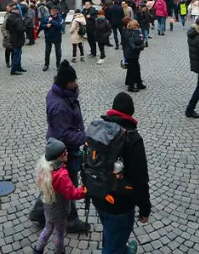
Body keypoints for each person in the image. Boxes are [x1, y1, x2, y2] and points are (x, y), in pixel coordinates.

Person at [29, 60, 89, 233]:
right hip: (64, 150)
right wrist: (83, 136)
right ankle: (71, 220)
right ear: (65, 83)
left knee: (54, 182)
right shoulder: (59, 106)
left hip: (62, 146)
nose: (76, 84)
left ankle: (39, 212)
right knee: (67, 183)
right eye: (73, 81)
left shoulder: (63, 96)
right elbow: (63, 134)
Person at [90, 92, 151, 254]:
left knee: (112, 233)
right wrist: (145, 209)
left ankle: (124, 249)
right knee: (112, 246)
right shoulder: (133, 139)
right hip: (120, 204)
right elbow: (140, 180)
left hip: (98, 195)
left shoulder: (101, 129)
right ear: (131, 113)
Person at [33, 138, 86, 254]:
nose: (67, 154)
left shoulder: (45, 167)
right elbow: (71, 193)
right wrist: (84, 191)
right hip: (60, 209)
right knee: (59, 233)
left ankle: (38, 250)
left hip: (48, 206)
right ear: (58, 157)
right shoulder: (61, 175)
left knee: (48, 228)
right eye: (64, 153)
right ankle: (59, 251)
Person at [123, 19, 145, 92]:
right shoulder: (134, 33)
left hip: (128, 53)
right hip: (132, 53)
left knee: (135, 68)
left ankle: (138, 83)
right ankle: (131, 86)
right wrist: (141, 46)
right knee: (133, 70)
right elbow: (135, 43)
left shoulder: (126, 32)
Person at [40, 7, 63, 72]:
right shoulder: (46, 17)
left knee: (58, 52)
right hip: (48, 37)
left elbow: (59, 26)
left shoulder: (60, 18)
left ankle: (58, 65)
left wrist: (51, 21)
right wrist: (46, 26)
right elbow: (41, 25)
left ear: (57, 11)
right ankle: (46, 64)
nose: (51, 12)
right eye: (51, 10)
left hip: (57, 37)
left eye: (53, 10)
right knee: (47, 52)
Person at [6, 4, 27, 74]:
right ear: (17, 11)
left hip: (12, 37)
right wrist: (25, 27)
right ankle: (14, 70)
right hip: (18, 38)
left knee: (17, 53)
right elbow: (20, 29)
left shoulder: (9, 18)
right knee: (17, 55)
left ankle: (18, 67)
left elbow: (7, 27)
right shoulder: (18, 19)